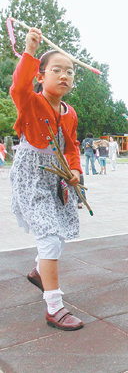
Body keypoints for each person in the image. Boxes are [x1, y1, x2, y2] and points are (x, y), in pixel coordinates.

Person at [9, 27, 84, 330]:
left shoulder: (71, 112)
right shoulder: (31, 101)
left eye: (69, 71)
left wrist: (76, 170)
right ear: (40, 77)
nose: (64, 75)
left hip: (58, 180)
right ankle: (54, 306)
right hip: (32, 178)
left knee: (61, 233)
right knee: (49, 237)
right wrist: (29, 51)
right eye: (56, 70)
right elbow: (17, 88)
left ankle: (40, 271)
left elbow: (73, 146)